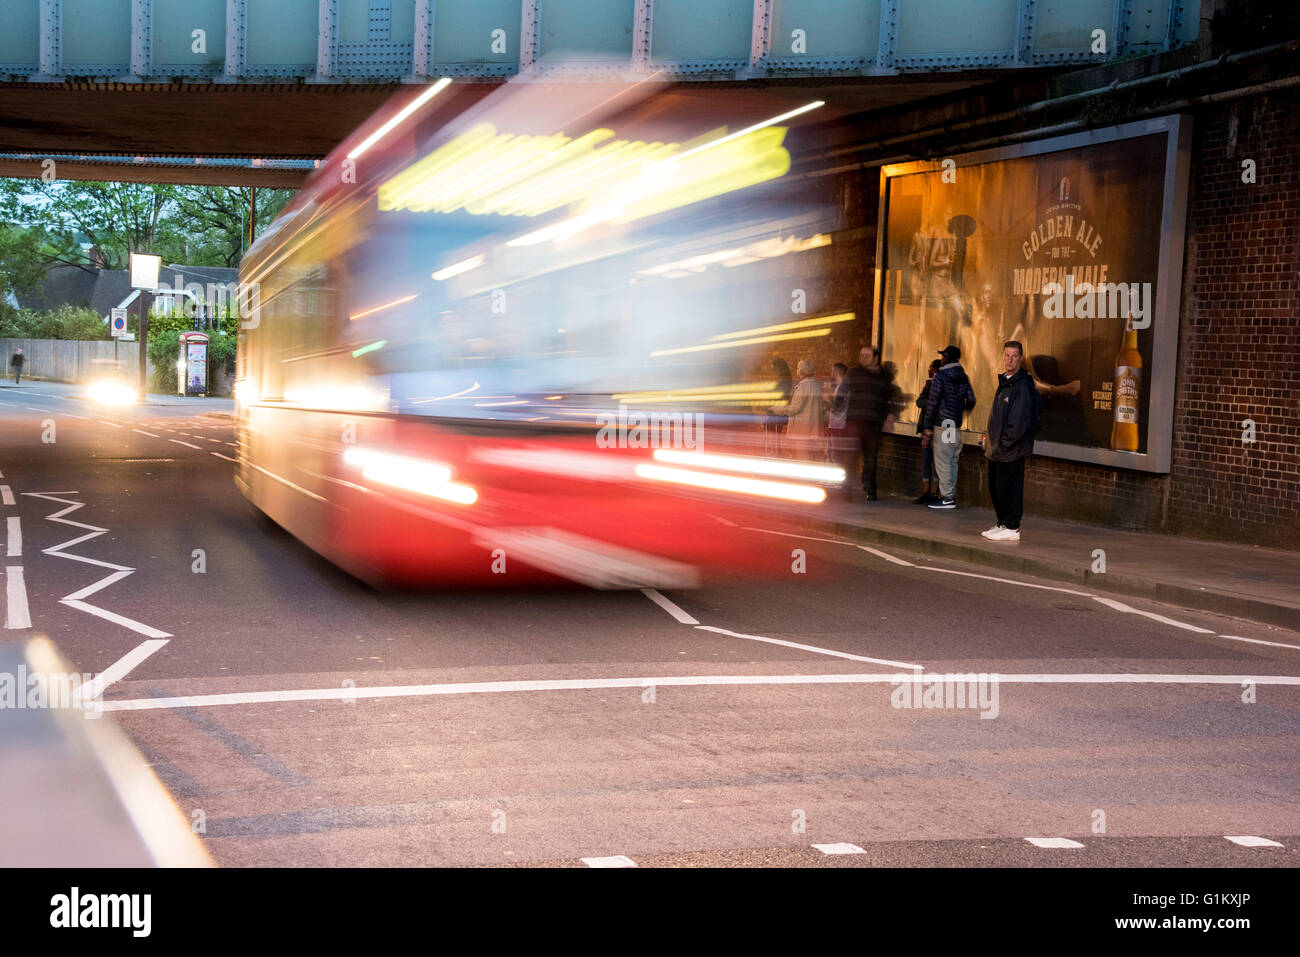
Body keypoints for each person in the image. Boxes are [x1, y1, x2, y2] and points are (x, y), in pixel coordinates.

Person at [980, 340, 1042, 542]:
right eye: (1007, 355)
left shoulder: (1022, 386)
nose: (1010, 359)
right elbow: (997, 417)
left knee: (1010, 490)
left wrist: (1003, 445)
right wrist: (989, 439)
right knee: (997, 490)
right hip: (997, 450)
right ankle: (1002, 523)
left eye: (1014, 356)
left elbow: (1018, 423)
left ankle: (1012, 527)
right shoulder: (1005, 382)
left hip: (1010, 452)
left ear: (1020, 359)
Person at [922, 345, 976, 510]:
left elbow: (933, 403)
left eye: (943, 357)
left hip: (943, 424)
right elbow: (971, 400)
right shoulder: (964, 377)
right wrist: (958, 409)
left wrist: (927, 426)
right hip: (954, 424)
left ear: (946, 358)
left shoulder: (941, 376)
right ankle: (950, 495)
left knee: (943, 462)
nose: (941, 359)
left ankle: (947, 498)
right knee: (952, 461)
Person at [843, 345, 896, 501]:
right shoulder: (854, 373)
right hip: (854, 422)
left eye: (866, 356)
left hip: (873, 422)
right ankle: (846, 490)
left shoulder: (884, 376)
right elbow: (843, 392)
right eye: (861, 355)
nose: (862, 358)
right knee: (850, 457)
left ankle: (870, 490)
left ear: (875, 358)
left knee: (871, 458)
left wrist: (891, 414)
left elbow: (890, 398)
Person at [770, 359, 824, 460]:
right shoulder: (816, 385)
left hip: (802, 430)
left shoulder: (803, 387)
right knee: (812, 458)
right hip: (813, 429)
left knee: (803, 459)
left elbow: (795, 408)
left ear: (803, 370)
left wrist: (777, 409)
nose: (797, 370)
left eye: (798, 368)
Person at [913, 359, 941, 504]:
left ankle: (935, 493)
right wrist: (932, 402)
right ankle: (926, 492)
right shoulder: (929, 385)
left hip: (938, 428)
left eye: (934, 371)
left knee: (937, 462)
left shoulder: (945, 386)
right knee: (926, 460)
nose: (932, 374)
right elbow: (919, 401)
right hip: (926, 427)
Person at [764, 356, 793, 455]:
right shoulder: (786, 379)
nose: (774, 371)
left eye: (774, 369)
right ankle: (775, 451)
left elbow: (780, 395)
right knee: (775, 433)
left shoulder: (784, 380)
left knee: (774, 432)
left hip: (777, 410)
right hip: (779, 410)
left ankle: (775, 452)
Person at [826, 362, 849, 464]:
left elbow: (837, 407)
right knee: (832, 453)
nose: (831, 373)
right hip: (835, 425)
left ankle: (838, 478)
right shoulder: (840, 386)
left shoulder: (843, 387)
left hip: (838, 426)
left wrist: (827, 399)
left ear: (836, 372)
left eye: (832, 370)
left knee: (836, 455)